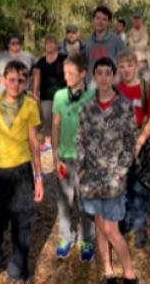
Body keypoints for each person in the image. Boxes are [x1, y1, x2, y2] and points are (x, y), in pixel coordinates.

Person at [0, 60, 44, 284]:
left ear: (26, 82)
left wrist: (39, 177)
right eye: (11, 79)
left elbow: (34, 142)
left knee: (21, 224)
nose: (15, 84)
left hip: (21, 173)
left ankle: (17, 271)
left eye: (20, 80)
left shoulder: (29, 106)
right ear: (3, 80)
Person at [77, 57, 138, 284]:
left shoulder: (124, 106)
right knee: (100, 226)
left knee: (111, 229)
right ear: (94, 77)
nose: (103, 77)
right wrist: (81, 168)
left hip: (113, 178)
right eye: (99, 73)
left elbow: (131, 142)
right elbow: (80, 139)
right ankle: (108, 271)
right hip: (91, 178)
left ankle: (129, 273)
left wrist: (120, 171)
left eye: (107, 73)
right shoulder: (87, 107)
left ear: (113, 76)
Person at [51, 54, 96, 262]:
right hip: (64, 157)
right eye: (65, 73)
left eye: (71, 73)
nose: (66, 77)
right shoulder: (59, 96)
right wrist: (54, 155)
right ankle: (66, 237)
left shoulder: (92, 96)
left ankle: (87, 239)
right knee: (64, 200)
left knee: (86, 201)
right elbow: (55, 125)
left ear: (83, 74)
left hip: (85, 160)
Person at [116, 50, 150, 249]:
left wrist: (140, 140)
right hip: (119, 144)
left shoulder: (145, 89)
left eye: (129, 65)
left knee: (140, 186)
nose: (126, 70)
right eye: (122, 66)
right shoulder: (115, 90)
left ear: (136, 66)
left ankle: (140, 225)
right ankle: (125, 222)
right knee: (123, 185)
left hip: (140, 142)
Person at [32, 35, 66, 152]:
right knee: (47, 119)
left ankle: (63, 142)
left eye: (52, 43)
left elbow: (70, 72)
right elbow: (37, 77)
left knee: (63, 119)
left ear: (56, 45)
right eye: (47, 43)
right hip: (46, 95)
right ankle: (48, 143)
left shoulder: (63, 58)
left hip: (62, 95)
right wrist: (35, 92)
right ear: (45, 46)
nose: (50, 45)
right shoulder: (41, 61)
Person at [86, 5, 126, 85]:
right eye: (98, 18)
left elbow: (123, 65)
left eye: (104, 19)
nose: (100, 22)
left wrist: (116, 83)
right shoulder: (87, 42)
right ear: (93, 20)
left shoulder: (117, 42)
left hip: (111, 87)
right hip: (91, 87)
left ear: (108, 23)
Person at [126, 10, 150, 84]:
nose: (136, 20)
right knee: (133, 92)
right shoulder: (128, 34)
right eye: (134, 18)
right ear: (132, 20)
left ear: (142, 19)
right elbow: (125, 51)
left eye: (138, 18)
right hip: (133, 67)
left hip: (147, 66)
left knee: (149, 92)